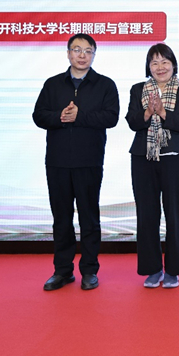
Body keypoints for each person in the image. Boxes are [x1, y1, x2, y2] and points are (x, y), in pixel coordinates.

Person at [33, 33, 119, 291]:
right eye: (77, 50)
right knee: (61, 218)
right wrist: (60, 117)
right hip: (57, 162)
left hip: (89, 161)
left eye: (88, 51)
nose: (82, 55)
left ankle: (89, 271)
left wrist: (79, 116)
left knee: (89, 218)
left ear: (94, 54)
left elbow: (111, 117)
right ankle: (62, 271)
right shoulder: (53, 84)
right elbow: (38, 116)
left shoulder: (105, 85)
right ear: (68, 53)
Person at [126, 44, 179, 289]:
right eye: (154, 62)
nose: (160, 67)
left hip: (175, 157)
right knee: (147, 215)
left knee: (175, 214)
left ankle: (173, 270)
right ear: (148, 67)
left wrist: (163, 113)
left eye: (165, 61)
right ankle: (152, 269)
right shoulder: (138, 90)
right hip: (143, 157)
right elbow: (132, 121)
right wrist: (147, 112)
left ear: (173, 64)